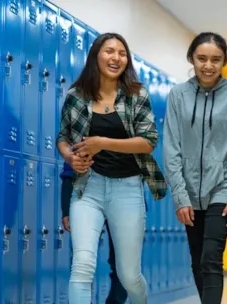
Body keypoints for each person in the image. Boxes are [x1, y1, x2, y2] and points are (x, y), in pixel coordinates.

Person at [56, 32, 166, 304]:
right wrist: (70, 157)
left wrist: (103, 143)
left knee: (129, 276)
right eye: (109, 51)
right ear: (96, 55)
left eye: (122, 53)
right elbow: (63, 137)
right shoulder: (76, 95)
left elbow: (148, 142)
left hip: (127, 190)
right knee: (82, 266)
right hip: (87, 189)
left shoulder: (136, 95)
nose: (116, 57)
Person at [163, 32, 227, 304]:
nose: (208, 65)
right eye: (201, 58)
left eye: (216, 59)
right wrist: (180, 196)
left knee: (211, 258)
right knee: (197, 260)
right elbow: (171, 150)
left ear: (224, 60)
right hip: (189, 192)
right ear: (191, 59)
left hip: (223, 189)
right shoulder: (178, 95)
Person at [60, 162, 128, 304]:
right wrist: (66, 210)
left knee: (123, 261)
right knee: (82, 260)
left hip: (123, 201)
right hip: (87, 199)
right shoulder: (80, 142)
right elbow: (69, 175)